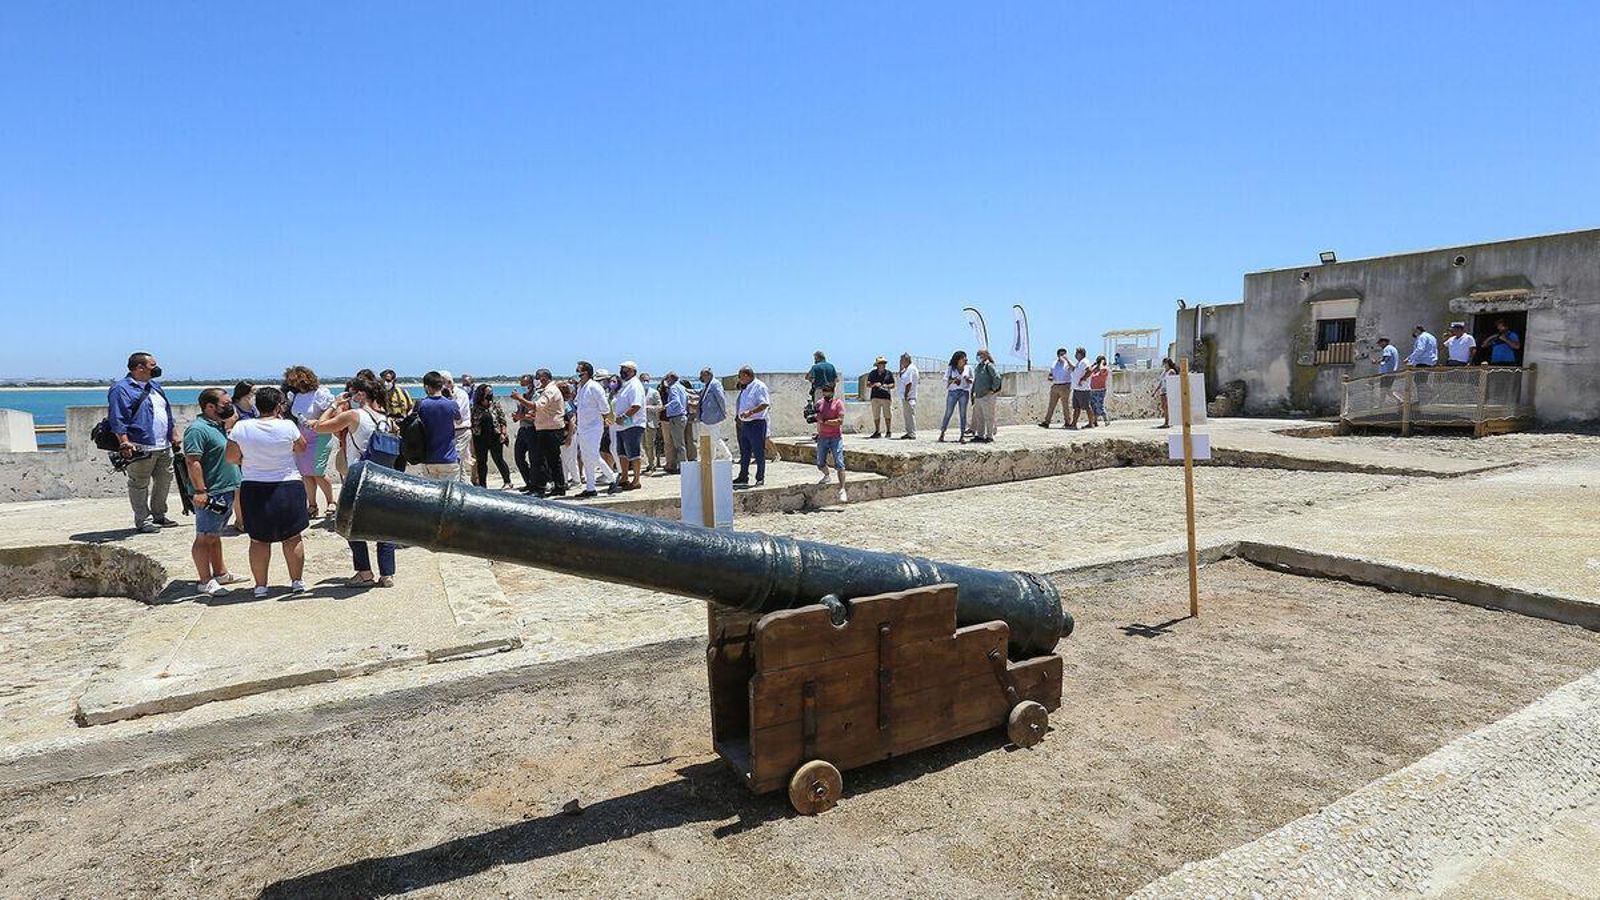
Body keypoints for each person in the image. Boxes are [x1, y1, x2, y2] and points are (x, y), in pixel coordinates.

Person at [312, 376, 398, 587]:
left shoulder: (353, 415)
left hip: (359, 478)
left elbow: (319, 427)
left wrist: (334, 404)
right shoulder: (386, 419)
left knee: (351, 525)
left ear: (360, 394)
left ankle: (364, 573)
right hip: (384, 476)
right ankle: (387, 574)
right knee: (385, 527)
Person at [225, 387, 309, 599]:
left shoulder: (242, 426)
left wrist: (249, 459)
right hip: (288, 484)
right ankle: (297, 581)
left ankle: (260, 586)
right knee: (293, 536)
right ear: (278, 406)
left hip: (254, 485)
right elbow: (301, 447)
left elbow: (231, 457)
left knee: (258, 539)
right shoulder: (287, 425)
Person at [182, 388, 246, 596]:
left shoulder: (217, 426)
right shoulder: (197, 430)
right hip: (211, 492)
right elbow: (193, 461)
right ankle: (204, 580)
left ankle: (220, 573)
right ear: (210, 407)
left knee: (215, 535)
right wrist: (200, 490)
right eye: (225, 404)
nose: (230, 407)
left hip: (225, 489)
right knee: (205, 536)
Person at [107, 351, 180, 532]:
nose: (157, 368)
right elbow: (118, 417)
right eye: (152, 365)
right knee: (139, 484)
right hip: (140, 444)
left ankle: (159, 515)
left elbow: (166, 412)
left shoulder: (155, 386)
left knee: (164, 481)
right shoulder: (121, 389)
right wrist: (124, 442)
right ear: (140, 367)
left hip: (163, 444)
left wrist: (173, 433)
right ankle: (143, 520)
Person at [283, 365, 336, 517]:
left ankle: (331, 501)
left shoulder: (320, 393)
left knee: (318, 471)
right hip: (302, 436)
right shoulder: (295, 396)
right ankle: (312, 505)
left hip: (319, 436)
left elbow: (332, 413)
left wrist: (317, 421)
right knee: (306, 473)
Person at [413, 371, 462, 480]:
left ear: (427, 387)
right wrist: (450, 399)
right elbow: (459, 421)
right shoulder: (451, 404)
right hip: (449, 457)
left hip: (428, 458)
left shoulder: (421, 405)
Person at [574, 360, 612, 498]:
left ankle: (612, 477)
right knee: (586, 457)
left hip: (594, 427)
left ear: (587, 373)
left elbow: (605, 408)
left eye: (579, 372)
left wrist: (604, 418)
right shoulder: (581, 387)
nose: (578, 374)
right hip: (583, 427)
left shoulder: (595, 387)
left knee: (593, 455)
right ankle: (591, 487)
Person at [529, 369, 568, 497]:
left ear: (544, 378)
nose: (537, 380)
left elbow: (537, 406)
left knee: (544, 460)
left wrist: (519, 398)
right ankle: (558, 486)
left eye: (538, 377)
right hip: (548, 429)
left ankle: (543, 487)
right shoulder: (548, 390)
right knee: (551, 460)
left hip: (550, 430)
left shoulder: (550, 391)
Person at [609, 361, 647, 493]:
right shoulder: (625, 384)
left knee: (634, 454)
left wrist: (624, 417)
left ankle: (636, 480)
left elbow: (636, 405)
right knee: (622, 453)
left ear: (632, 371)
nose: (622, 372)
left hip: (633, 424)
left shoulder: (635, 385)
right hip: (621, 426)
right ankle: (624, 477)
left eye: (625, 369)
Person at [733, 365, 770, 487]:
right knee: (745, 451)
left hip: (756, 423)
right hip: (745, 423)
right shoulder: (745, 388)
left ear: (746, 375)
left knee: (758, 451)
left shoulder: (759, 386)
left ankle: (760, 477)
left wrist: (750, 412)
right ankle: (743, 476)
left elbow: (764, 404)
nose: (739, 379)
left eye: (740, 376)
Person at [471, 383, 512, 489]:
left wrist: (503, 433)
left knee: (498, 459)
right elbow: (472, 423)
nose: (490, 394)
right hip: (480, 438)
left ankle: (507, 481)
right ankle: (483, 485)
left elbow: (502, 420)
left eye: (491, 392)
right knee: (481, 462)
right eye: (487, 392)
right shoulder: (475, 408)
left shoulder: (495, 405)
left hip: (495, 437)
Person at [813, 382, 848, 502]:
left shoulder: (838, 403)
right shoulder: (819, 403)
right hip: (822, 437)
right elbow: (817, 417)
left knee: (839, 462)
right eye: (824, 391)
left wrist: (825, 421)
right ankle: (827, 475)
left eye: (828, 391)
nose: (826, 394)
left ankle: (842, 489)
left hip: (835, 437)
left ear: (832, 392)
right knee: (820, 462)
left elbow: (840, 421)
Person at [439, 371, 474, 482]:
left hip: (461, 432)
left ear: (449, 382)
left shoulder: (460, 394)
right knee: (460, 465)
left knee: (454, 460)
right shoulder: (441, 395)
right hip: (449, 433)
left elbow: (456, 414)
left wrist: (449, 398)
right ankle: (465, 486)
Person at [509, 374, 540, 492]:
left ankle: (536, 484)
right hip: (522, 429)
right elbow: (520, 414)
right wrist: (516, 416)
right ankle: (529, 481)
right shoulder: (522, 397)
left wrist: (521, 416)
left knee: (534, 458)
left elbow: (534, 415)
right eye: (521, 384)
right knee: (519, 457)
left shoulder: (536, 396)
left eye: (525, 384)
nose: (523, 386)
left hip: (532, 429)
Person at [661, 371, 695, 473]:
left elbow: (676, 401)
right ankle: (682, 465)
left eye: (667, 378)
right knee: (681, 442)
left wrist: (665, 406)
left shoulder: (673, 388)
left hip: (676, 417)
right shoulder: (682, 387)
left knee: (679, 445)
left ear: (671, 378)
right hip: (682, 416)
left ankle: (682, 466)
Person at [695, 368, 732, 459]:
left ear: (708, 375)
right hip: (705, 418)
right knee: (708, 439)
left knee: (715, 438)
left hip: (714, 417)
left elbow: (721, 398)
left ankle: (728, 456)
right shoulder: (707, 385)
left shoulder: (715, 384)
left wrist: (723, 412)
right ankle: (711, 459)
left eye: (703, 376)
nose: (701, 378)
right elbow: (701, 393)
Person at [938, 350, 972, 443]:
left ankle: (962, 435)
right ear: (958, 359)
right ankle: (942, 433)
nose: (965, 359)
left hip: (964, 392)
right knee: (948, 412)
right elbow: (945, 379)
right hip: (953, 392)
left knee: (963, 414)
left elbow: (972, 380)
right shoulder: (951, 368)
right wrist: (953, 380)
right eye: (963, 358)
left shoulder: (968, 368)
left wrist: (968, 379)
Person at [970, 349, 1002, 443]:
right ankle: (980, 435)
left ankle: (989, 436)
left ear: (986, 355)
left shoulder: (989, 366)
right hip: (978, 396)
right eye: (978, 354)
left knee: (988, 416)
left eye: (980, 354)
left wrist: (993, 389)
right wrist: (973, 392)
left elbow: (997, 378)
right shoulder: (978, 367)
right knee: (979, 417)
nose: (978, 356)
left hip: (987, 396)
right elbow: (976, 381)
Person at [1039, 347, 1072, 428]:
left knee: (1065, 405)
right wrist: (1050, 377)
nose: (1063, 356)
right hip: (1055, 385)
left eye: (1064, 354)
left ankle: (1067, 422)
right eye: (1061, 354)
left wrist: (1067, 360)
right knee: (1051, 405)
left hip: (1065, 385)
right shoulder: (1054, 363)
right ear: (1058, 355)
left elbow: (1073, 368)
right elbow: (1051, 373)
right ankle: (1047, 422)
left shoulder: (1068, 363)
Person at [866, 356, 896, 438]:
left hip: (886, 397)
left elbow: (893, 384)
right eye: (881, 363)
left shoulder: (889, 373)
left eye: (884, 363)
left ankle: (888, 431)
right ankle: (877, 431)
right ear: (877, 365)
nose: (883, 364)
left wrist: (887, 386)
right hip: (875, 397)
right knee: (876, 415)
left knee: (888, 415)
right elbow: (868, 384)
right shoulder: (872, 373)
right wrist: (874, 384)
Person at [1068, 348, 1097, 429]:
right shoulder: (1079, 363)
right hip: (1077, 389)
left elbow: (1090, 370)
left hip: (1083, 389)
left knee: (1087, 407)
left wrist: (1083, 379)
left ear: (1080, 354)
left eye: (1076, 353)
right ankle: (1074, 423)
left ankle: (1091, 423)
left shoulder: (1084, 362)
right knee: (1076, 407)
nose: (1075, 355)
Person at [1373, 337, 1403, 406]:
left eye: (1380, 343)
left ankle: (1381, 405)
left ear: (1384, 342)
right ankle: (1399, 400)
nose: (1380, 345)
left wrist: (1376, 361)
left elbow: (1386, 358)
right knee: (1386, 389)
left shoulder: (1387, 348)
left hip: (1387, 373)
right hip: (1391, 372)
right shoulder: (1392, 348)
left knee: (1383, 389)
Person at [643, 375, 663, 473]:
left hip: (650, 421)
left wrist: (648, 407)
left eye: (647, 380)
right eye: (643, 380)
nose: (645, 382)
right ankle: (649, 462)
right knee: (644, 445)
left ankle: (652, 464)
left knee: (650, 443)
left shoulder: (654, 392)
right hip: (640, 422)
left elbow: (660, 406)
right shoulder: (638, 392)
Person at [897, 353, 918, 440]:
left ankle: (912, 433)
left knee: (910, 415)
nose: (901, 362)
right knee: (907, 415)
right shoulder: (907, 369)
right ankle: (909, 432)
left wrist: (906, 394)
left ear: (906, 360)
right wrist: (901, 368)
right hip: (907, 396)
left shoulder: (911, 369)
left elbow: (909, 383)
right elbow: (901, 377)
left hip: (909, 397)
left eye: (902, 361)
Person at [1154, 357, 1179, 428]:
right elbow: (1161, 382)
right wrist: (1156, 391)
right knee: (1163, 407)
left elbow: (1173, 382)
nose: (1164, 365)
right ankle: (1167, 421)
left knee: (1167, 407)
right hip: (1163, 391)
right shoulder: (1164, 372)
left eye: (1165, 363)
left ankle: (1167, 422)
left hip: (1168, 391)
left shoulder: (1171, 371)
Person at [1089, 355, 1111, 424]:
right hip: (1093, 390)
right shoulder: (1095, 369)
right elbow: (1089, 371)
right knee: (1093, 406)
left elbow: (1102, 370)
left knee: (1099, 405)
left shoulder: (1105, 369)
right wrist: (1093, 365)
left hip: (1100, 390)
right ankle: (1095, 421)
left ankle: (1106, 419)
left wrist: (1102, 363)